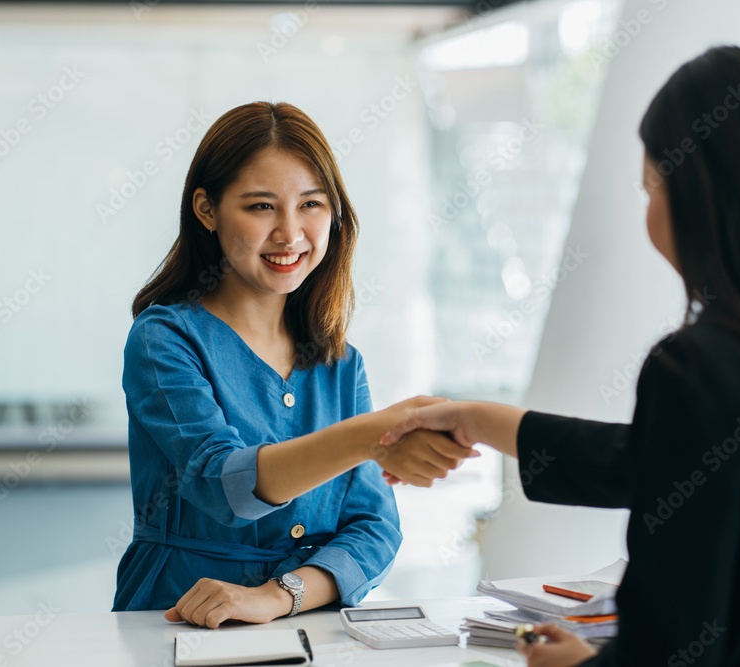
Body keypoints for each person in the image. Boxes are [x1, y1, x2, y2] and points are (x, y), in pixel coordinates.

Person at [381, 46, 740, 666]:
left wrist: (577, 664)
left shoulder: (699, 365)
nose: (650, 211)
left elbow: (668, 649)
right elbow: (661, 463)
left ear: (698, 193)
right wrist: (477, 419)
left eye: (652, 187)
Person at [112, 102, 475, 628]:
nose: (289, 233)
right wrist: (371, 436)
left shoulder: (341, 362)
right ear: (207, 210)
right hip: (181, 619)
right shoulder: (164, 339)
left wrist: (282, 594)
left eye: (311, 204)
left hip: (310, 622)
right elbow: (223, 484)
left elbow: (374, 526)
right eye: (261, 207)